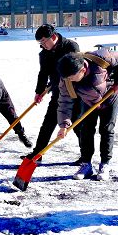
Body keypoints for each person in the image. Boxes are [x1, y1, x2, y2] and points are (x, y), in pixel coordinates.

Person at [56, 49, 118, 181]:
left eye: (71, 78)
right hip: (88, 100)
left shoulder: (101, 58)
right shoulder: (66, 78)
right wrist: (63, 125)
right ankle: (86, 164)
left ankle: (105, 163)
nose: (68, 81)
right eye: (66, 78)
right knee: (86, 129)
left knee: (106, 129)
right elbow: (64, 102)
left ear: (82, 70)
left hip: (110, 95)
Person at [25, 24, 80, 162]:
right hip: (57, 92)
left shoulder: (70, 46)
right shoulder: (44, 54)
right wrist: (39, 91)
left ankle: (86, 156)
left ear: (53, 37)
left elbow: (76, 68)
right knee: (48, 122)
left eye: (44, 41)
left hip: (75, 93)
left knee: (77, 125)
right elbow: (43, 73)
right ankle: (38, 153)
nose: (42, 45)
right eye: (40, 43)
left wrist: (58, 81)